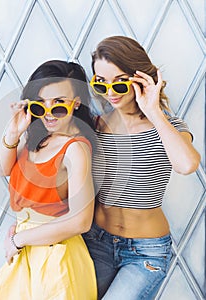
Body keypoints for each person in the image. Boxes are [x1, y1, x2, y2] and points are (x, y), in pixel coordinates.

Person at [82, 36, 201, 300]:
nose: (110, 92)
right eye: (101, 83)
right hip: (96, 242)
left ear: (140, 79)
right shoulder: (96, 124)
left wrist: (154, 111)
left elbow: (187, 164)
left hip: (145, 253)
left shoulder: (166, 126)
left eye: (119, 82)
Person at [0, 60, 97, 299]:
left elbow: (81, 221)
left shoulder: (75, 149)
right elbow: (4, 169)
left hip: (56, 256)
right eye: (40, 106)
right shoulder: (37, 138)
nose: (48, 114)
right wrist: (14, 132)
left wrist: (18, 239)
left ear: (76, 103)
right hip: (25, 254)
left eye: (58, 106)